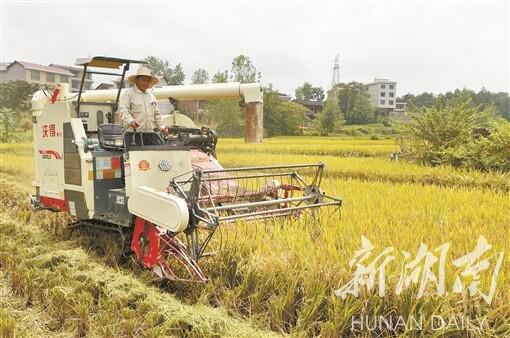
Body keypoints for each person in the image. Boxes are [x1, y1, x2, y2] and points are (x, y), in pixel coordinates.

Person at [118, 66, 168, 134]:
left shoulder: (151, 96)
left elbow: (156, 115)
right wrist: (131, 121)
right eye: (143, 80)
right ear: (137, 80)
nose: (145, 82)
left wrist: (162, 127)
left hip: (150, 134)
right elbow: (124, 111)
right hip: (133, 135)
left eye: (147, 80)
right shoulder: (128, 94)